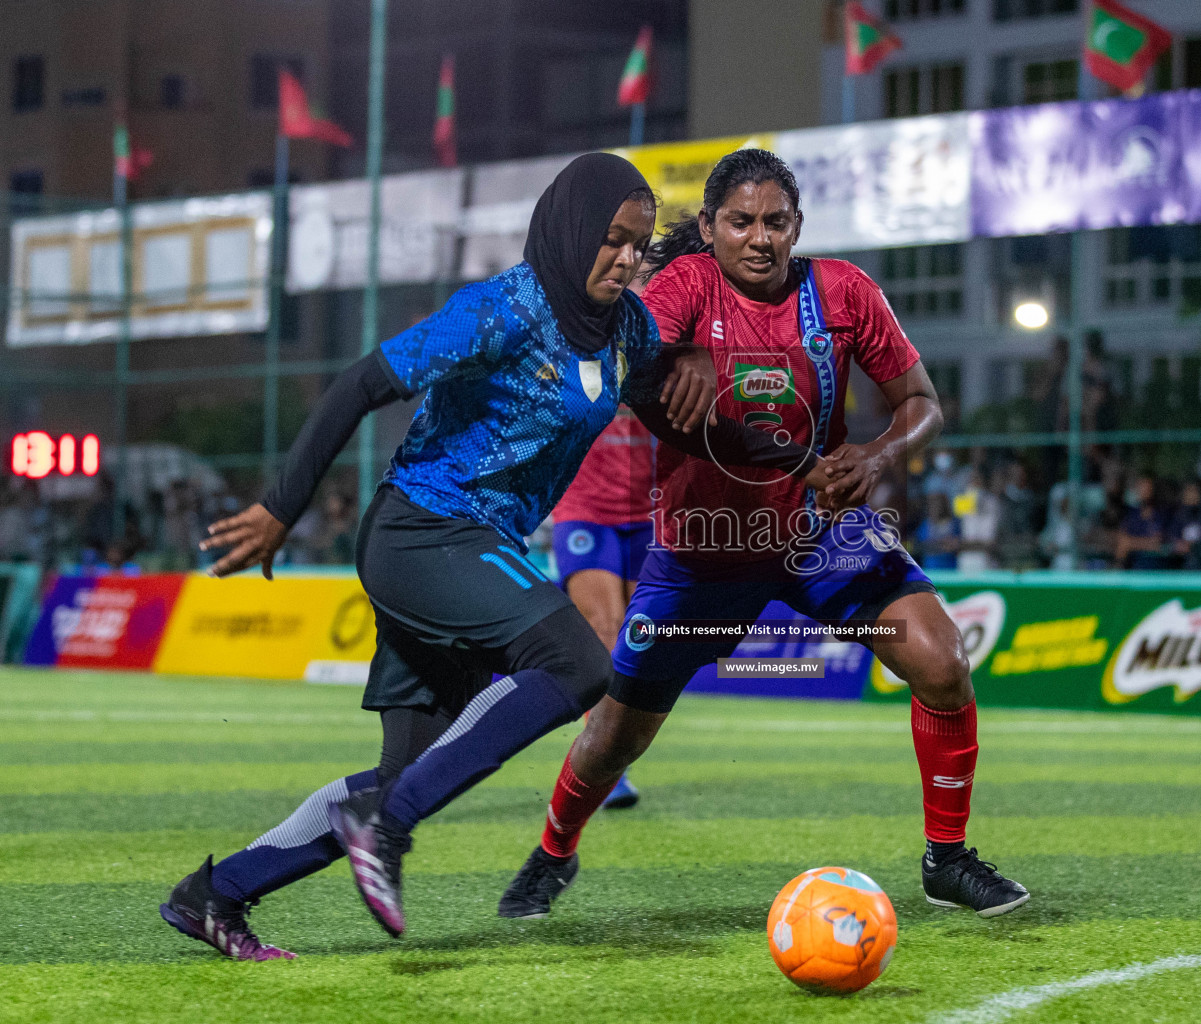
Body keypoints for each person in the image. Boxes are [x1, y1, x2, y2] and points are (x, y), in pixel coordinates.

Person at [158, 153, 832, 960]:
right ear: (571, 229)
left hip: (474, 551)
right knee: (579, 662)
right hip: (421, 533)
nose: (625, 260)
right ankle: (389, 826)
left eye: (639, 246)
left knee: (402, 776)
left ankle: (215, 894)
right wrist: (280, 505)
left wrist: (800, 460)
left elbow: (693, 422)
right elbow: (360, 384)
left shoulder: (627, 330)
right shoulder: (500, 310)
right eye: (611, 240)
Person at [498, 150, 1029, 922]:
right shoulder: (680, 286)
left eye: (775, 221)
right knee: (614, 734)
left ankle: (946, 859)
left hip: (824, 534)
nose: (759, 238)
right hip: (701, 551)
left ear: (797, 227)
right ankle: (553, 853)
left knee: (942, 661)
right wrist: (675, 362)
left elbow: (921, 400)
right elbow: (627, 362)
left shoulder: (846, 293)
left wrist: (877, 455)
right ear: (709, 227)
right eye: (740, 221)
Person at [549, 407, 655, 809]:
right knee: (604, 626)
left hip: (649, 514)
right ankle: (607, 766)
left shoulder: (659, 350)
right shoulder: (582, 351)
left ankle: (611, 750)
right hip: (586, 513)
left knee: (642, 638)